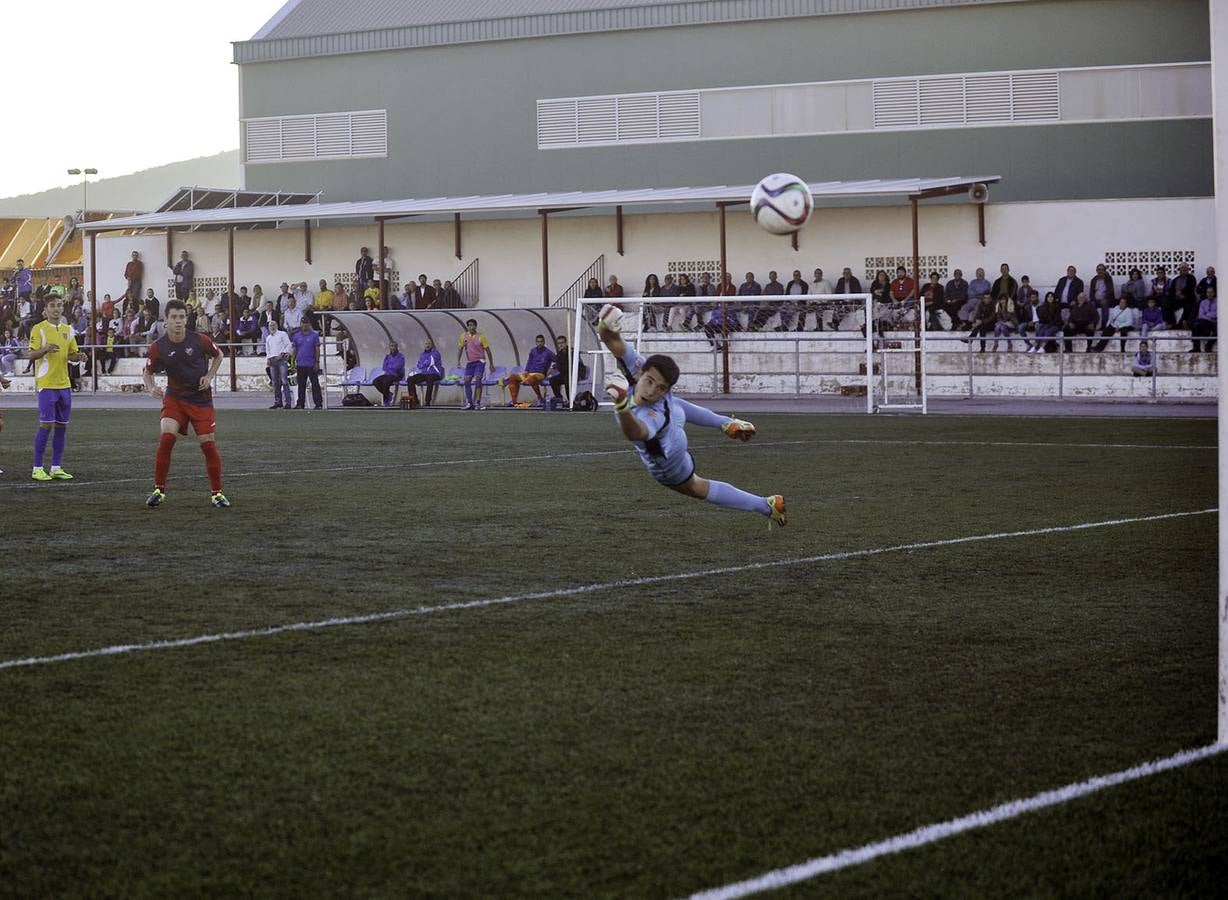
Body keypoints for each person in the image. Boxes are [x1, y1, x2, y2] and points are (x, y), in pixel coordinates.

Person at [596, 304, 785, 526]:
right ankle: (727, 423)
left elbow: (635, 432)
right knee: (676, 406)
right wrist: (605, 325)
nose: (651, 391)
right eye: (649, 382)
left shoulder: (651, 414)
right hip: (674, 420)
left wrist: (620, 404)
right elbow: (613, 342)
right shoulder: (642, 367)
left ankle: (766, 505)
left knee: (696, 486)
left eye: (660, 388)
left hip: (668, 460)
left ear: (666, 388)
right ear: (641, 371)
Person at [142, 299, 228, 508]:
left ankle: (217, 494)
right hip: (175, 399)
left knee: (208, 445)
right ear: (166, 321)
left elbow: (219, 355)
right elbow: (147, 372)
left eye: (182, 317)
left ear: (186, 319)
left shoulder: (200, 340)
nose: (178, 321)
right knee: (167, 438)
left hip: (201, 400)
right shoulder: (158, 347)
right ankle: (158, 490)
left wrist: (209, 376)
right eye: (174, 317)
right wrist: (151, 387)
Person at [27, 296, 85, 481]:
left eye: (59, 305)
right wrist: (44, 349)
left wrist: (79, 356)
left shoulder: (69, 329)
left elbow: (72, 355)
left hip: (64, 385)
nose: (56, 309)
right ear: (45, 309)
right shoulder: (39, 329)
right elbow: (31, 354)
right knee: (46, 425)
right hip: (46, 384)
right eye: (52, 305)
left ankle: (56, 467)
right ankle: (37, 468)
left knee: (61, 427)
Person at [506, 334, 555, 407]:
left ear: (544, 342)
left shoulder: (548, 352)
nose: (540, 343)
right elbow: (529, 361)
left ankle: (540, 398)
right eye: (538, 342)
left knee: (532, 379)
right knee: (512, 377)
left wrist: (551, 368)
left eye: (541, 341)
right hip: (530, 373)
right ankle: (514, 401)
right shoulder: (533, 351)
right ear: (536, 342)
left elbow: (557, 360)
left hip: (540, 374)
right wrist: (526, 370)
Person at [456, 318, 495, 410]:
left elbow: (488, 351)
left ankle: (478, 402)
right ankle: (469, 403)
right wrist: (458, 361)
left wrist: (491, 364)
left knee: (478, 378)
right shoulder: (463, 336)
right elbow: (460, 349)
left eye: (473, 325)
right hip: (470, 362)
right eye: (469, 325)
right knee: (467, 380)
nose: (471, 327)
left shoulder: (481, 337)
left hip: (480, 361)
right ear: (467, 327)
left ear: (476, 326)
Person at [291, 319, 323, 410]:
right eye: (303, 323)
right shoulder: (297, 336)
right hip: (300, 364)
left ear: (309, 324)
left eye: (306, 323)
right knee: (301, 385)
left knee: (315, 384)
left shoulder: (314, 335)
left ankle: (318, 403)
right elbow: (295, 349)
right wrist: (293, 361)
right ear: (300, 324)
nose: (304, 325)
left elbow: (317, 349)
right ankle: (300, 403)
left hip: (311, 364)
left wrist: (317, 362)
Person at [547, 333, 585, 402]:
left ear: (566, 343)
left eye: (562, 343)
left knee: (567, 379)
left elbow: (577, 365)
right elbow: (560, 368)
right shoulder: (559, 355)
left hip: (575, 373)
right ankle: (559, 398)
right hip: (565, 374)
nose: (561, 345)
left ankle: (571, 400)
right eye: (559, 343)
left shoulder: (572, 351)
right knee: (552, 380)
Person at [406, 339, 444, 406]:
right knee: (410, 379)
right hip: (424, 374)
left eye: (429, 344)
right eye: (426, 344)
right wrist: (424, 363)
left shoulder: (436, 353)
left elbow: (429, 362)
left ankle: (427, 401)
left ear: (432, 345)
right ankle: (414, 401)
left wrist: (423, 363)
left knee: (429, 379)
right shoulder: (422, 354)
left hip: (435, 374)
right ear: (424, 345)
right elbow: (418, 365)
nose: (427, 345)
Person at [264, 318, 293, 409]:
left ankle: (288, 402)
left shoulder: (282, 334)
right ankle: (278, 401)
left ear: (276, 326)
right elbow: (268, 350)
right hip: (272, 360)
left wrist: (283, 353)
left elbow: (288, 344)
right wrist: (268, 359)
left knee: (284, 381)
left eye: (273, 325)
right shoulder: (268, 338)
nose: (272, 327)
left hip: (281, 359)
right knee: (275, 382)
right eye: (270, 325)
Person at [372, 340, 406, 407]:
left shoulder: (401, 356)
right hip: (388, 374)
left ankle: (386, 400)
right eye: (391, 346)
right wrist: (390, 367)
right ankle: (388, 394)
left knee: (386, 381)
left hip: (397, 375)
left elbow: (398, 366)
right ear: (389, 347)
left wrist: (390, 367)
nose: (393, 348)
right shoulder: (387, 356)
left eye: (394, 346)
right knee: (376, 381)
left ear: (397, 347)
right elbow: (384, 367)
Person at [1192, 286, 1217, 352]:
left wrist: (1207, 315)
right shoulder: (1203, 302)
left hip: (1215, 322)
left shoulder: (1218, 301)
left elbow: (1218, 314)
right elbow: (1200, 315)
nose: (1210, 294)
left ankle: (1208, 346)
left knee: (1219, 330)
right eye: (1208, 292)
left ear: (1214, 293)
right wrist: (1211, 316)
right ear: (1206, 293)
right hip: (1206, 322)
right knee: (1196, 324)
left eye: (1211, 292)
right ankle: (1196, 347)